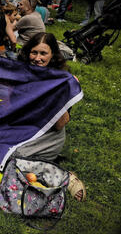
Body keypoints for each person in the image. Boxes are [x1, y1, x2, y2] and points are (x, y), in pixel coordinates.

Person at [16, 32, 86, 202]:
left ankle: (65, 177)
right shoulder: (20, 71)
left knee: (15, 157)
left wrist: (60, 92)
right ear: (28, 53)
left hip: (48, 134)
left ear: (52, 54)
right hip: (24, 126)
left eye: (43, 53)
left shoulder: (62, 79)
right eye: (34, 52)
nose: (37, 58)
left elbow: (60, 124)